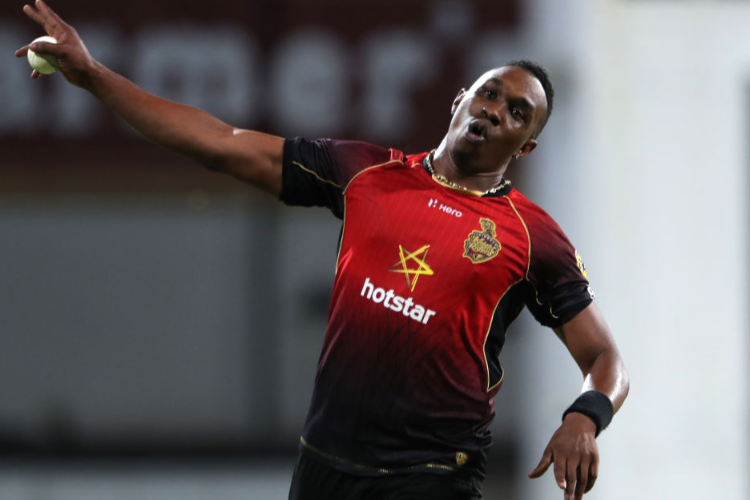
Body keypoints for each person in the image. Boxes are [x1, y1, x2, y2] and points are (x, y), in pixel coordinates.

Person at [15, 2, 630, 499]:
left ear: (526, 147)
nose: (496, 111)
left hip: (433, 475)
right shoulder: (366, 173)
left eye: (517, 113)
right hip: (325, 464)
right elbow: (221, 142)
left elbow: (606, 356)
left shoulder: (531, 236)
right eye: (490, 94)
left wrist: (586, 415)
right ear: (459, 99)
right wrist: (94, 76)